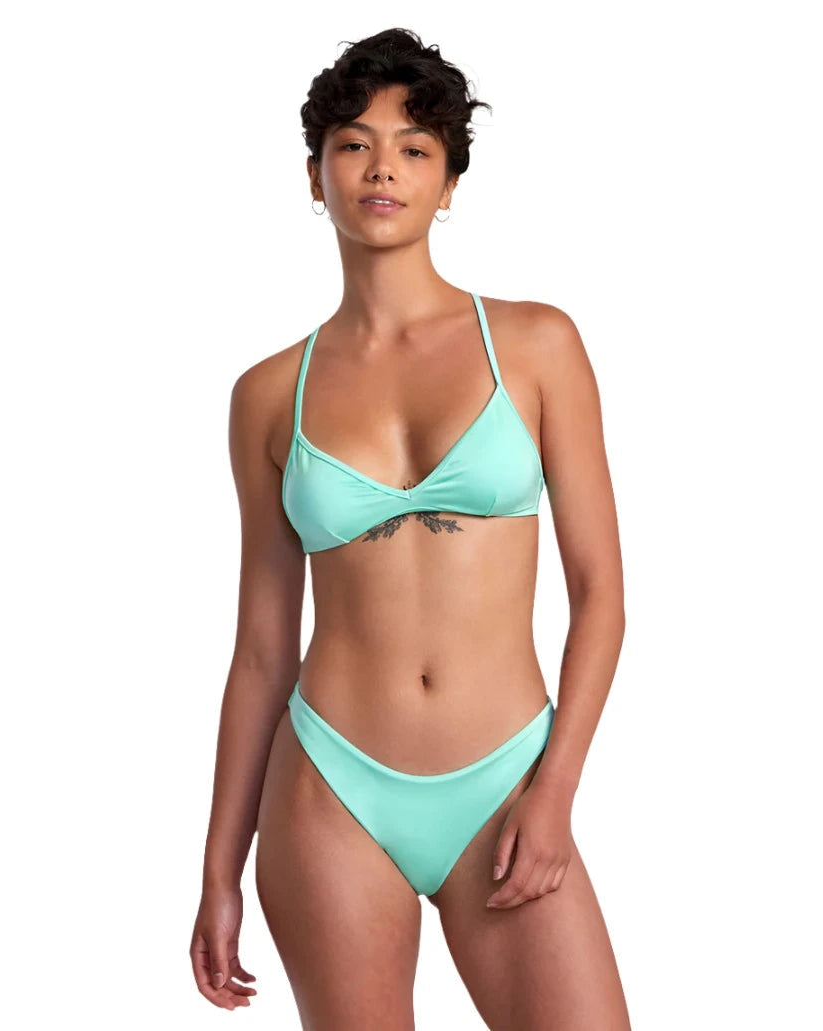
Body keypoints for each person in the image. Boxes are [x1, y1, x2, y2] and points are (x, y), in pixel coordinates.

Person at [190, 27, 630, 1029]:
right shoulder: (268, 395)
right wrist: (219, 869)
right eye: (354, 144)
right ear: (315, 176)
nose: (382, 167)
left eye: (414, 147)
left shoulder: (537, 343)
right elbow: (261, 649)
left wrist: (555, 790)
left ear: (448, 183)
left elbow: (601, 594)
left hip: (508, 780)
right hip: (328, 789)